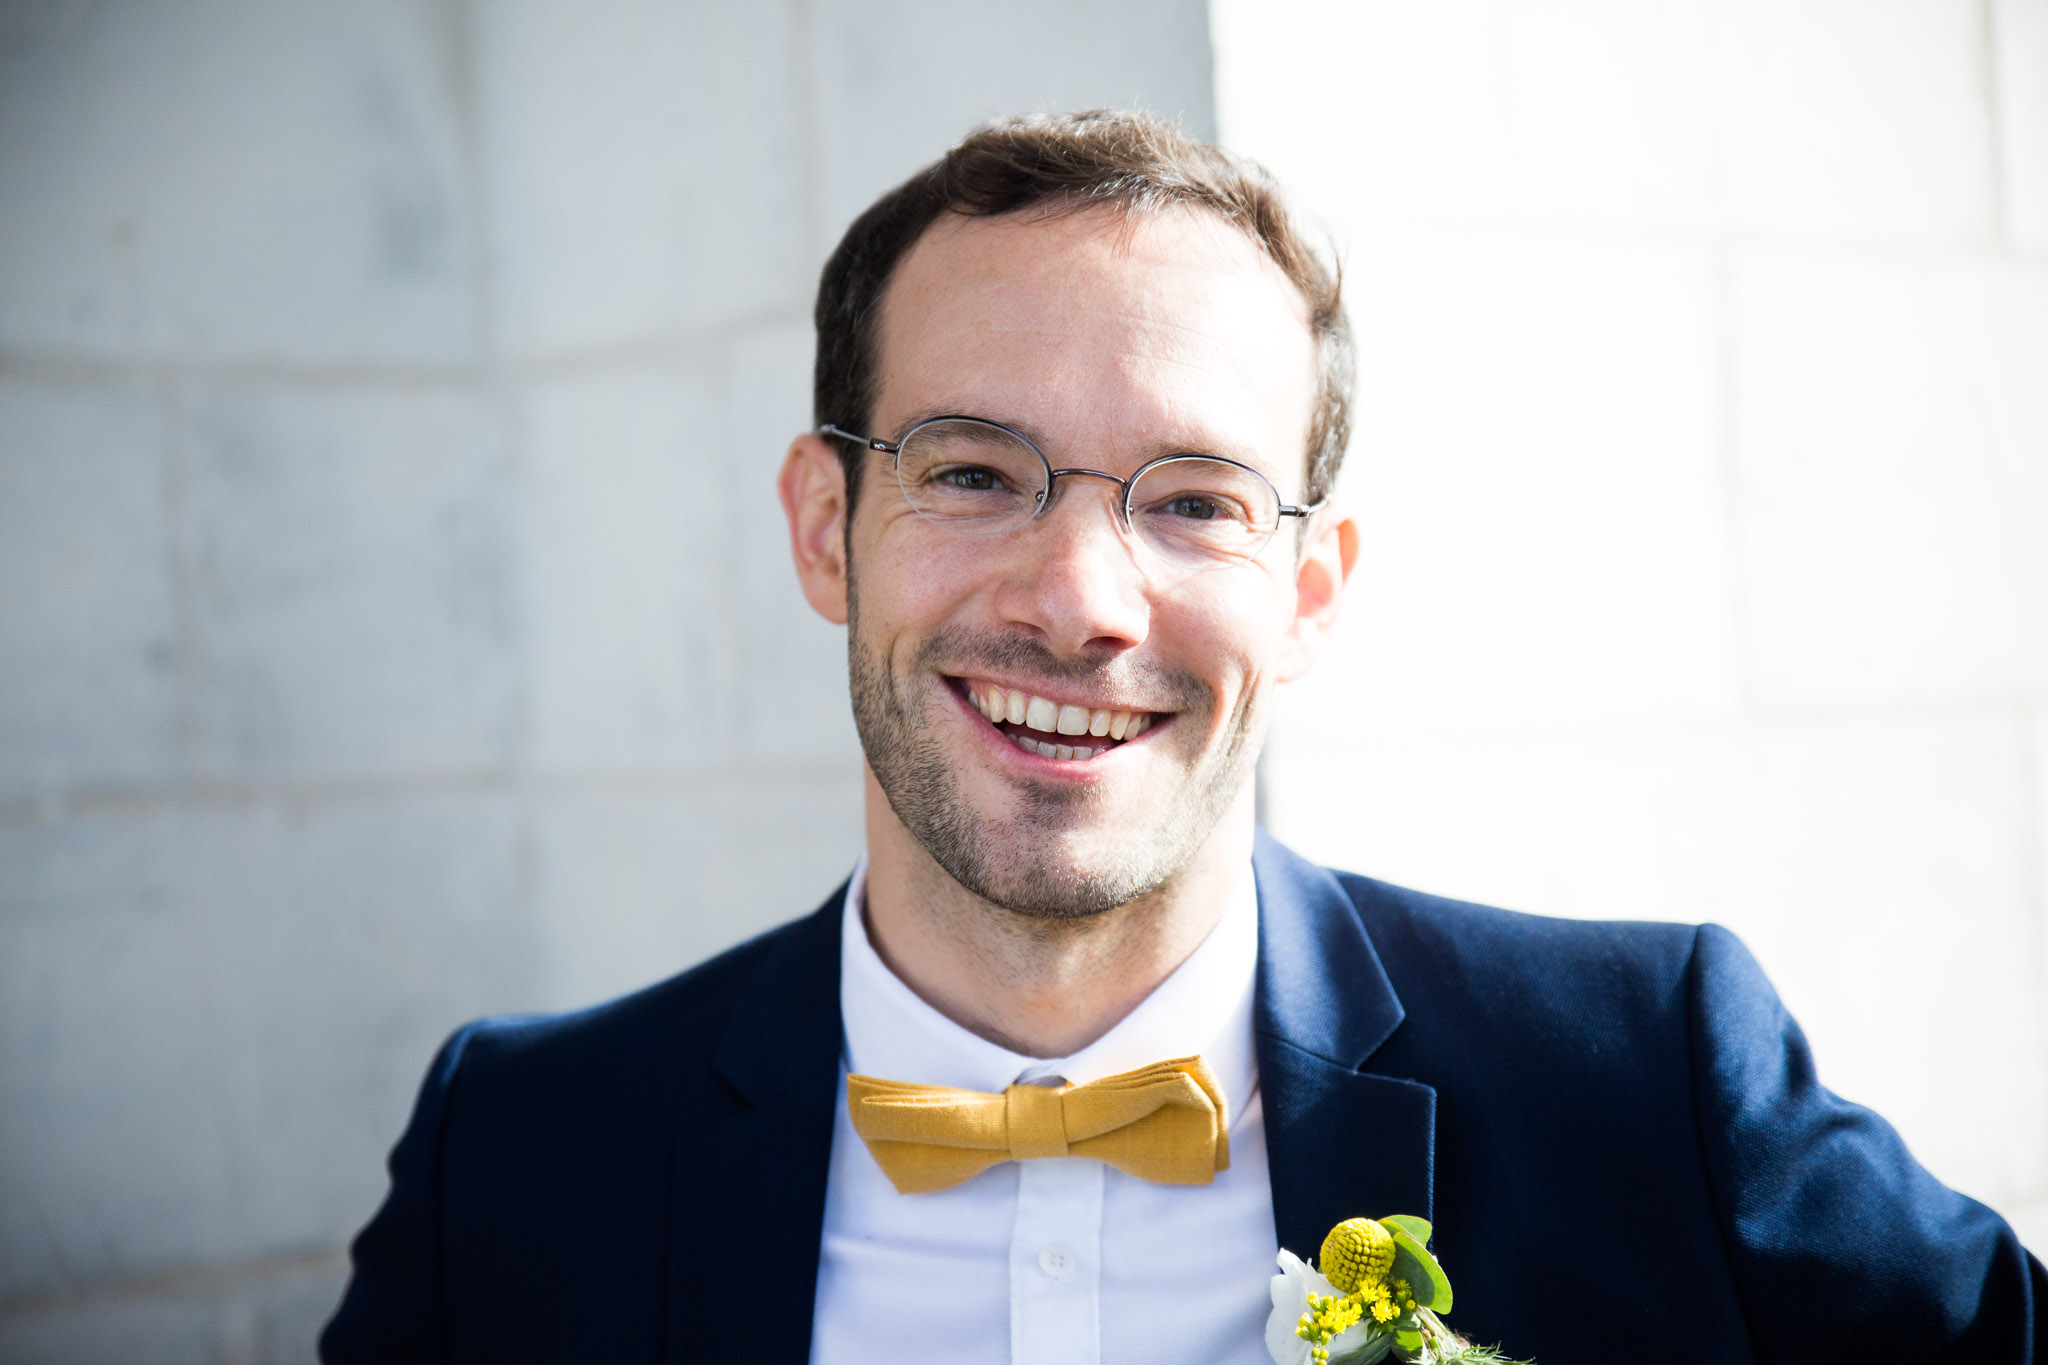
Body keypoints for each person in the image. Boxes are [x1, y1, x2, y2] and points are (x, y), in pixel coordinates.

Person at [320, 110, 2044, 1365]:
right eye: (973, 470)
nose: (1082, 601)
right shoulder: (514, 1158)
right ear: (826, 527)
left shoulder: (1650, 1083)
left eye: (1198, 499)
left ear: (1310, 593)